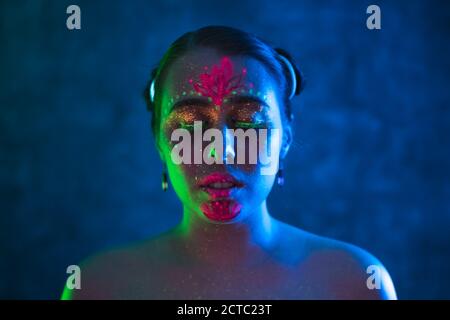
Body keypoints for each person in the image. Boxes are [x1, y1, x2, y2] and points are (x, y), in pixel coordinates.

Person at [62, 26, 397, 300]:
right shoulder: (98, 288)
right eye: (190, 125)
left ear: (285, 139)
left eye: (249, 122)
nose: (219, 152)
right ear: (161, 145)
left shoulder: (356, 283)